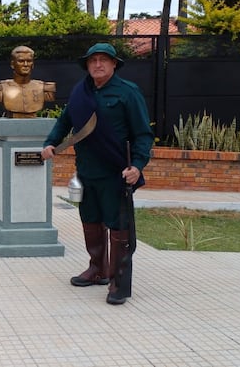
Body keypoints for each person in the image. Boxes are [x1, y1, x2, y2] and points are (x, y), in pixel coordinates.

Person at [41, 43, 154, 305]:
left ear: (115, 64)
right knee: (90, 220)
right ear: (87, 65)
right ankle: (97, 269)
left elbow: (142, 135)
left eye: (104, 60)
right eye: (93, 60)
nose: (98, 64)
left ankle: (118, 282)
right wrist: (51, 142)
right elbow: (65, 120)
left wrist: (137, 166)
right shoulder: (81, 92)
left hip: (116, 173)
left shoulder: (128, 93)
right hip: (87, 171)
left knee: (118, 227)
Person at [0, 46, 57, 118]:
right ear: (12, 64)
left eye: (29, 61)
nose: (25, 64)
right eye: (21, 61)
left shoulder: (46, 89)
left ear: (33, 64)